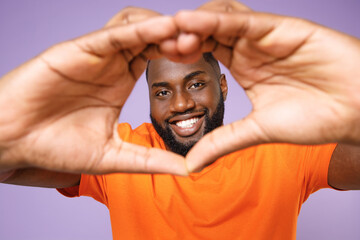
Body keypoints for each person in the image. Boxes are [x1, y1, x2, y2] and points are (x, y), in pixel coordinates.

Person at [0, 0, 360, 239]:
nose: (181, 104)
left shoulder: (285, 147)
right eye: (162, 92)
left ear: (222, 85)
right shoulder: (119, 151)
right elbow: (7, 168)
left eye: (196, 83)